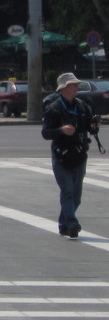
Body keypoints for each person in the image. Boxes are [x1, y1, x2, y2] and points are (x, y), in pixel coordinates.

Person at [41, 72, 99, 239]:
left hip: (79, 154)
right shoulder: (54, 108)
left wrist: (94, 126)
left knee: (76, 196)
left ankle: (64, 224)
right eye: (73, 85)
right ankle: (72, 224)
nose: (77, 87)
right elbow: (45, 133)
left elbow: (90, 128)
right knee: (67, 190)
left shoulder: (82, 106)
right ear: (64, 88)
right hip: (61, 155)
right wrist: (61, 130)